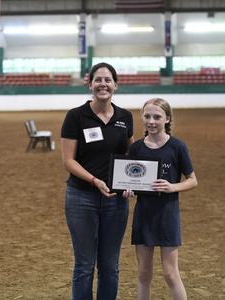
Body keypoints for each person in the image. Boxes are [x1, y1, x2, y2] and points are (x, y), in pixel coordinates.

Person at [60, 62, 134, 300]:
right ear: (89, 83)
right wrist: (94, 180)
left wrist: (133, 182)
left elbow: (130, 156)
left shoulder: (126, 117)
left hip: (116, 201)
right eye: (98, 80)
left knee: (110, 266)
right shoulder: (75, 116)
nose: (103, 84)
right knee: (84, 265)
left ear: (116, 85)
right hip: (81, 198)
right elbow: (68, 161)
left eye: (108, 80)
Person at [128, 98, 198, 300]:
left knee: (170, 274)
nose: (151, 121)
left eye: (157, 117)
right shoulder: (136, 148)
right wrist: (129, 190)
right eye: (147, 116)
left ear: (167, 118)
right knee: (143, 274)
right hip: (143, 215)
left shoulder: (177, 147)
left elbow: (192, 180)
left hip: (167, 215)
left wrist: (172, 187)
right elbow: (130, 180)